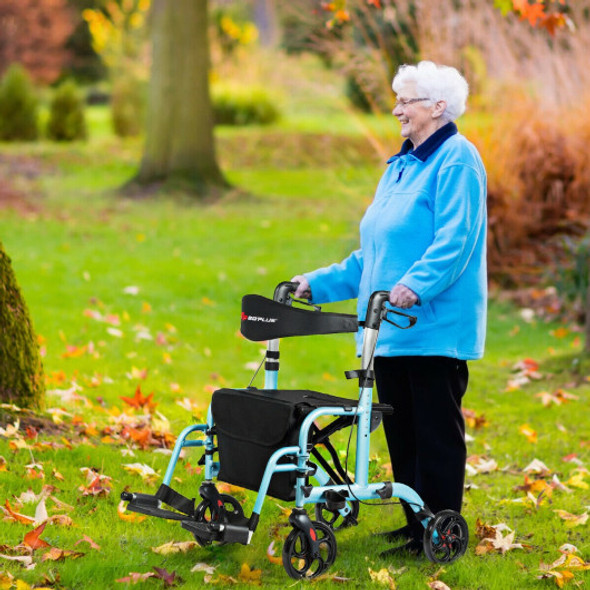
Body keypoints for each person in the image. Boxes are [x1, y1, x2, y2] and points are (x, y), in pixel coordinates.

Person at [292, 60, 487, 556]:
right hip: (387, 329)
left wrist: (414, 285)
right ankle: (414, 523)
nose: (397, 109)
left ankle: (441, 531)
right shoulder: (401, 167)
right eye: (398, 100)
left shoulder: (457, 160)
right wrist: (317, 284)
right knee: (403, 434)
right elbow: (372, 255)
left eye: (407, 100)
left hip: (433, 326)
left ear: (438, 107)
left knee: (436, 434)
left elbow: (455, 240)